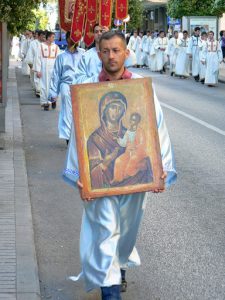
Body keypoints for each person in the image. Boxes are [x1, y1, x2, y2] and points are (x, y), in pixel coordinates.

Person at [63, 31, 176, 300]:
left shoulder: (140, 88)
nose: (111, 56)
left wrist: (162, 168)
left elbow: (156, 128)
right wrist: (80, 174)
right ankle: (110, 290)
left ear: (126, 53)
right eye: (106, 51)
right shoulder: (88, 89)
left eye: (117, 50)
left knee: (126, 231)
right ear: (99, 53)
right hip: (100, 182)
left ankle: (120, 262)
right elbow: (79, 138)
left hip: (133, 179)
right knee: (105, 231)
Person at [48, 31, 85, 144]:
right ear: (68, 39)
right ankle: (68, 137)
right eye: (72, 37)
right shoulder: (61, 57)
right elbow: (56, 75)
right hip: (66, 86)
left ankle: (80, 136)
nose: (74, 40)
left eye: (77, 37)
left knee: (81, 112)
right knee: (67, 111)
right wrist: (53, 93)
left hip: (81, 86)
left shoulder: (84, 54)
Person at [112, 112, 151, 184]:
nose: (132, 121)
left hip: (138, 152)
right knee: (118, 160)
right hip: (128, 152)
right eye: (131, 119)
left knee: (133, 160)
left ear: (137, 122)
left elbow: (142, 144)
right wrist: (118, 139)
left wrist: (135, 147)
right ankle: (117, 179)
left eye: (134, 120)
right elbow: (123, 143)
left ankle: (127, 176)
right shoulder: (128, 131)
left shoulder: (140, 131)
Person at [33, 31, 60, 111]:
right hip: (44, 70)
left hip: (53, 70)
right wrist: (38, 70)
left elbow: (59, 59)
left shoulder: (56, 47)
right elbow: (37, 58)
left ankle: (53, 100)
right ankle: (45, 103)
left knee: (53, 86)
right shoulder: (41, 46)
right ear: (48, 37)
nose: (53, 38)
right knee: (44, 86)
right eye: (52, 37)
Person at [25, 30, 46, 96]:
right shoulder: (33, 43)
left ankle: (42, 90)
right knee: (36, 78)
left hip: (45, 65)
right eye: (42, 36)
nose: (44, 38)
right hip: (35, 64)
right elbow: (30, 55)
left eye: (45, 37)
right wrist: (31, 65)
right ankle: (38, 90)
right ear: (39, 36)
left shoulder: (47, 44)